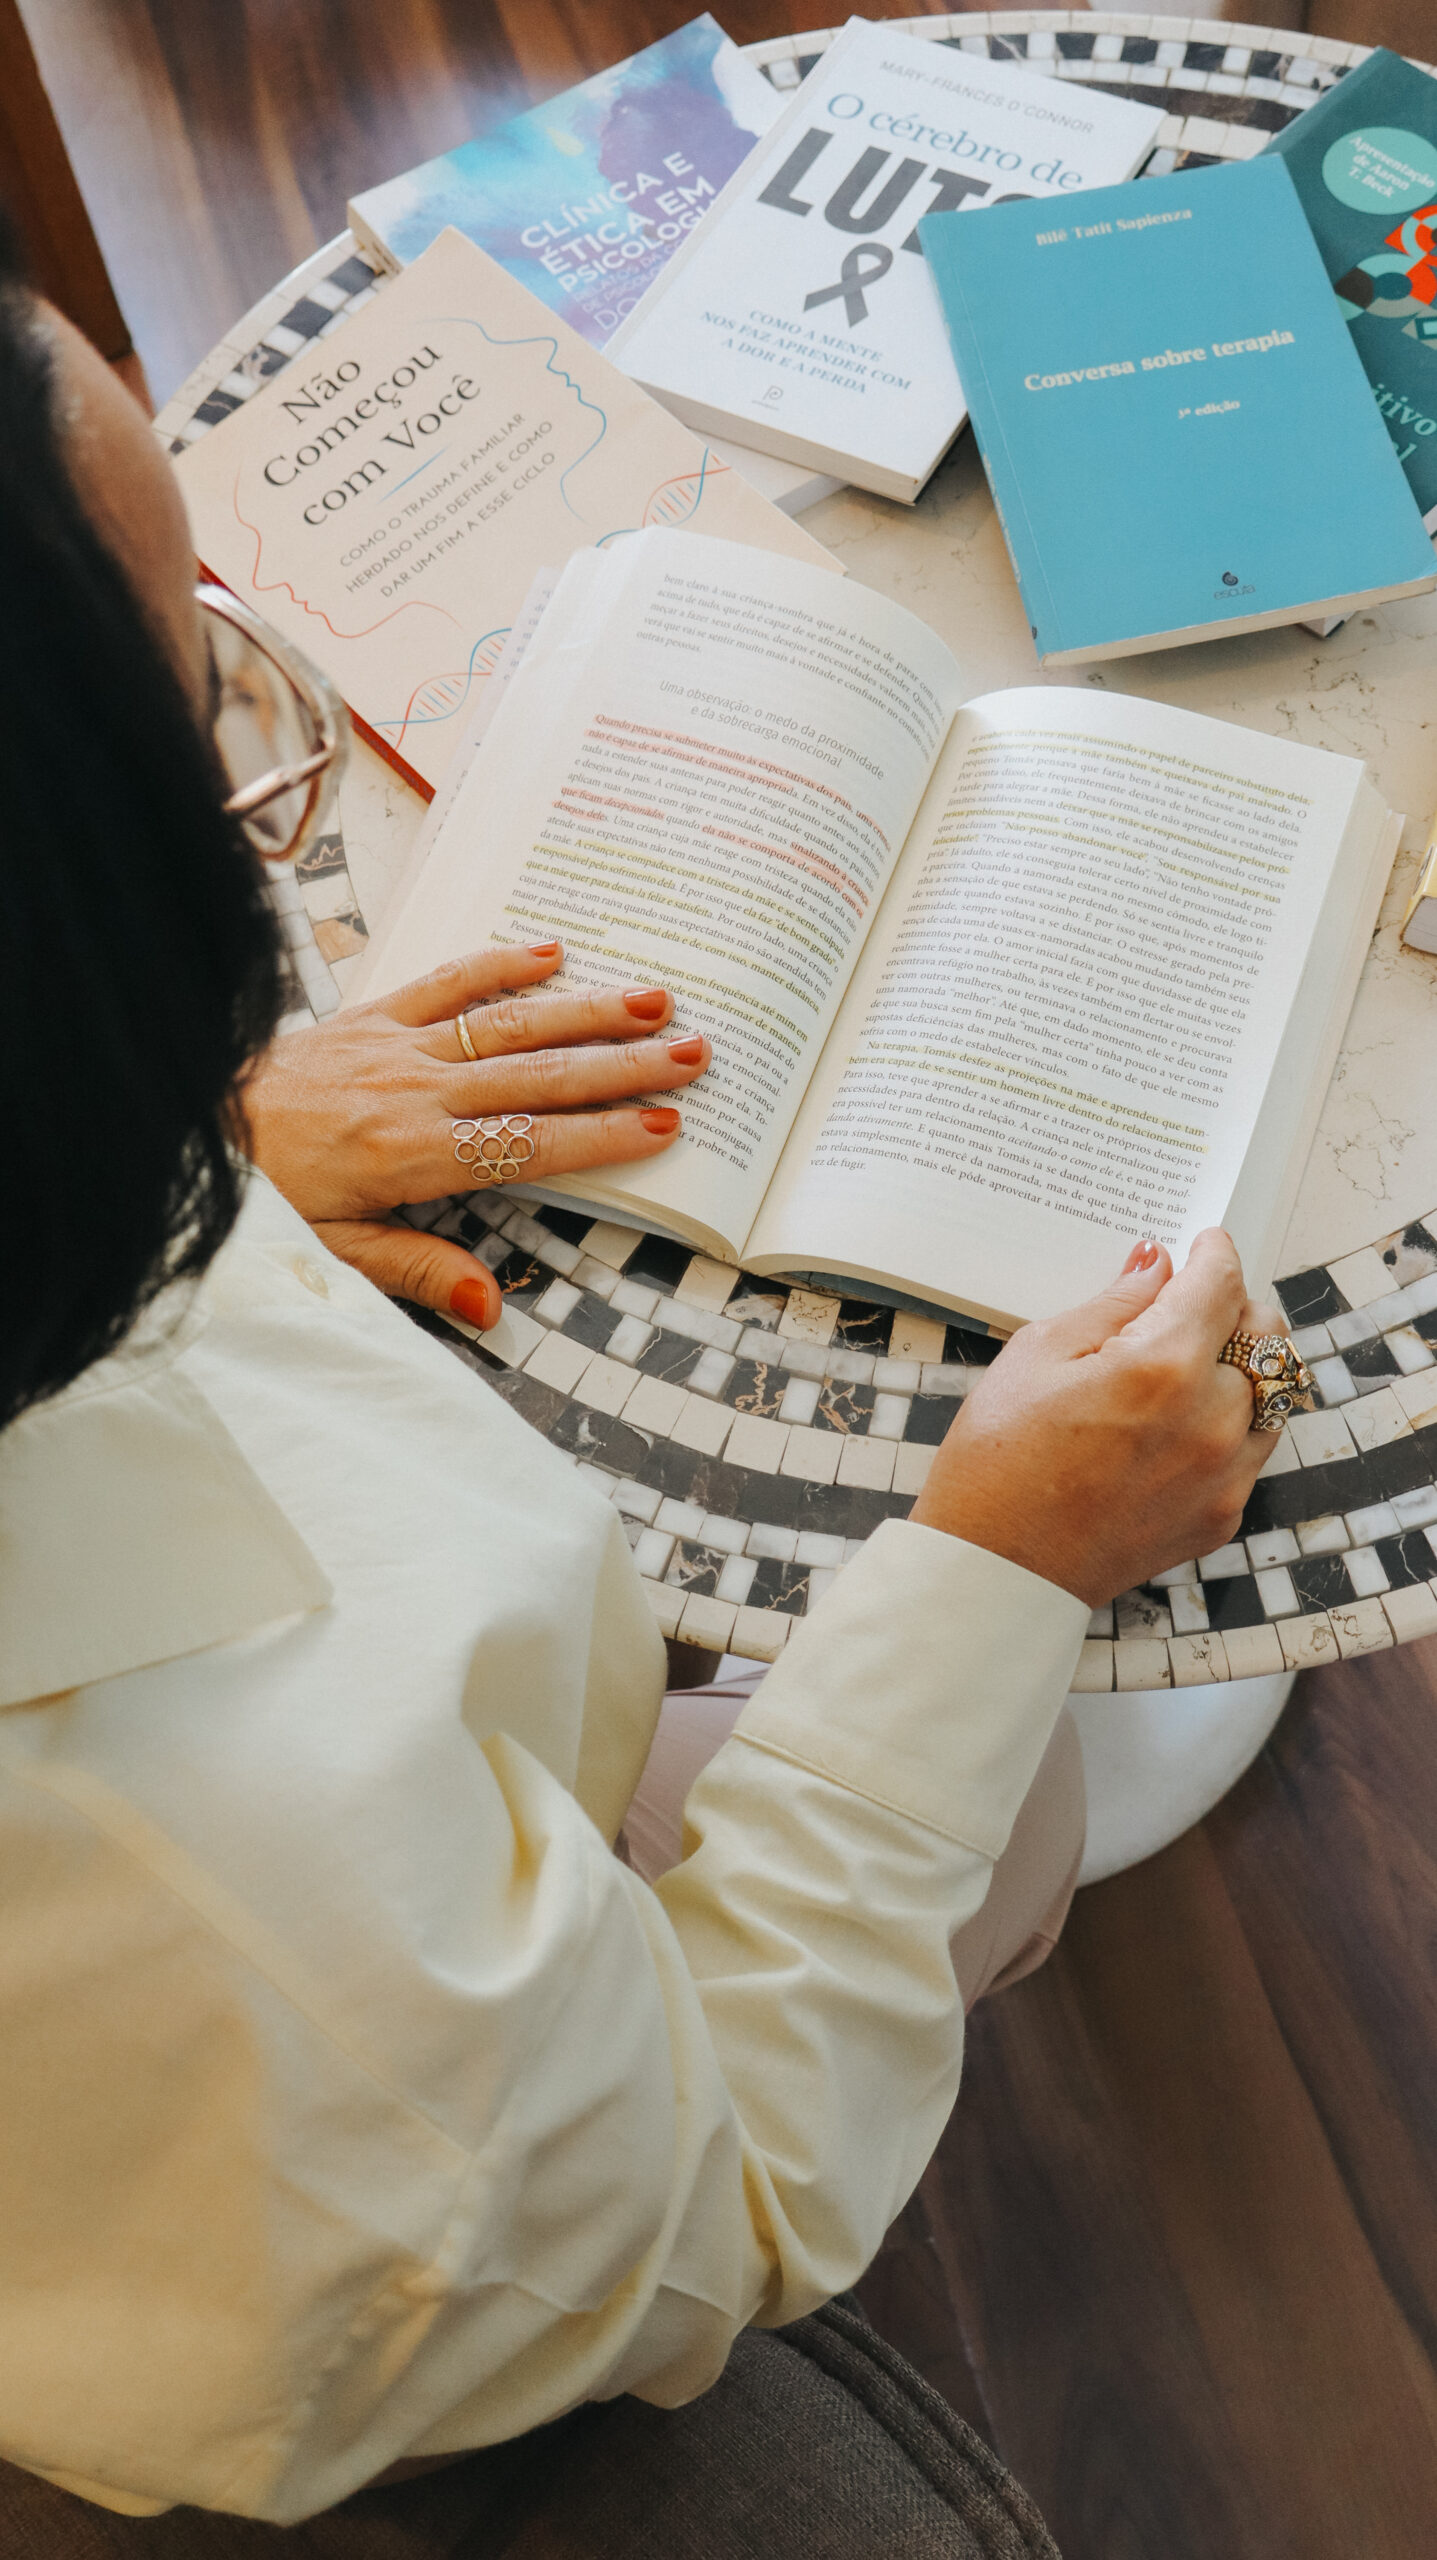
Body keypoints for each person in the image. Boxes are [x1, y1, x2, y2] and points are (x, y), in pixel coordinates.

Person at [0, 229, 1283, 2536]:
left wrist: (175, 1135)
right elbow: (726, 2188)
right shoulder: (241, 1903)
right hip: (363, 2139)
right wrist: (992, 1566)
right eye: (191, 721)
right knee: (1014, 1811)